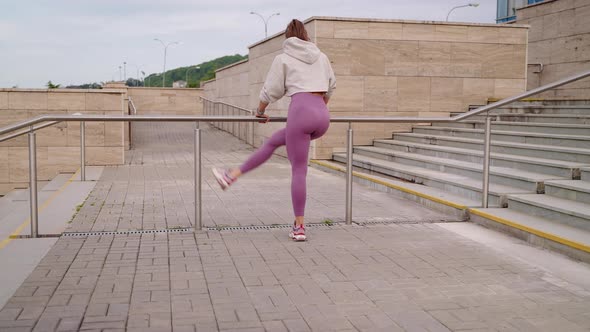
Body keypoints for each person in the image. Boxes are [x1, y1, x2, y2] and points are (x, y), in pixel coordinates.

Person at [212, 19, 336, 242]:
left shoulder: (284, 58)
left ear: (287, 38)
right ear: (306, 35)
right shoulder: (322, 56)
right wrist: (318, 109)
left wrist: (260, 111)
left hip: (301, 113)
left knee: (299, 170)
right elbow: (332, 85)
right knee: (273, 141)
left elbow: (271, 89)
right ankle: (231, 175)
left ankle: (299, 227)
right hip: (322, 115)